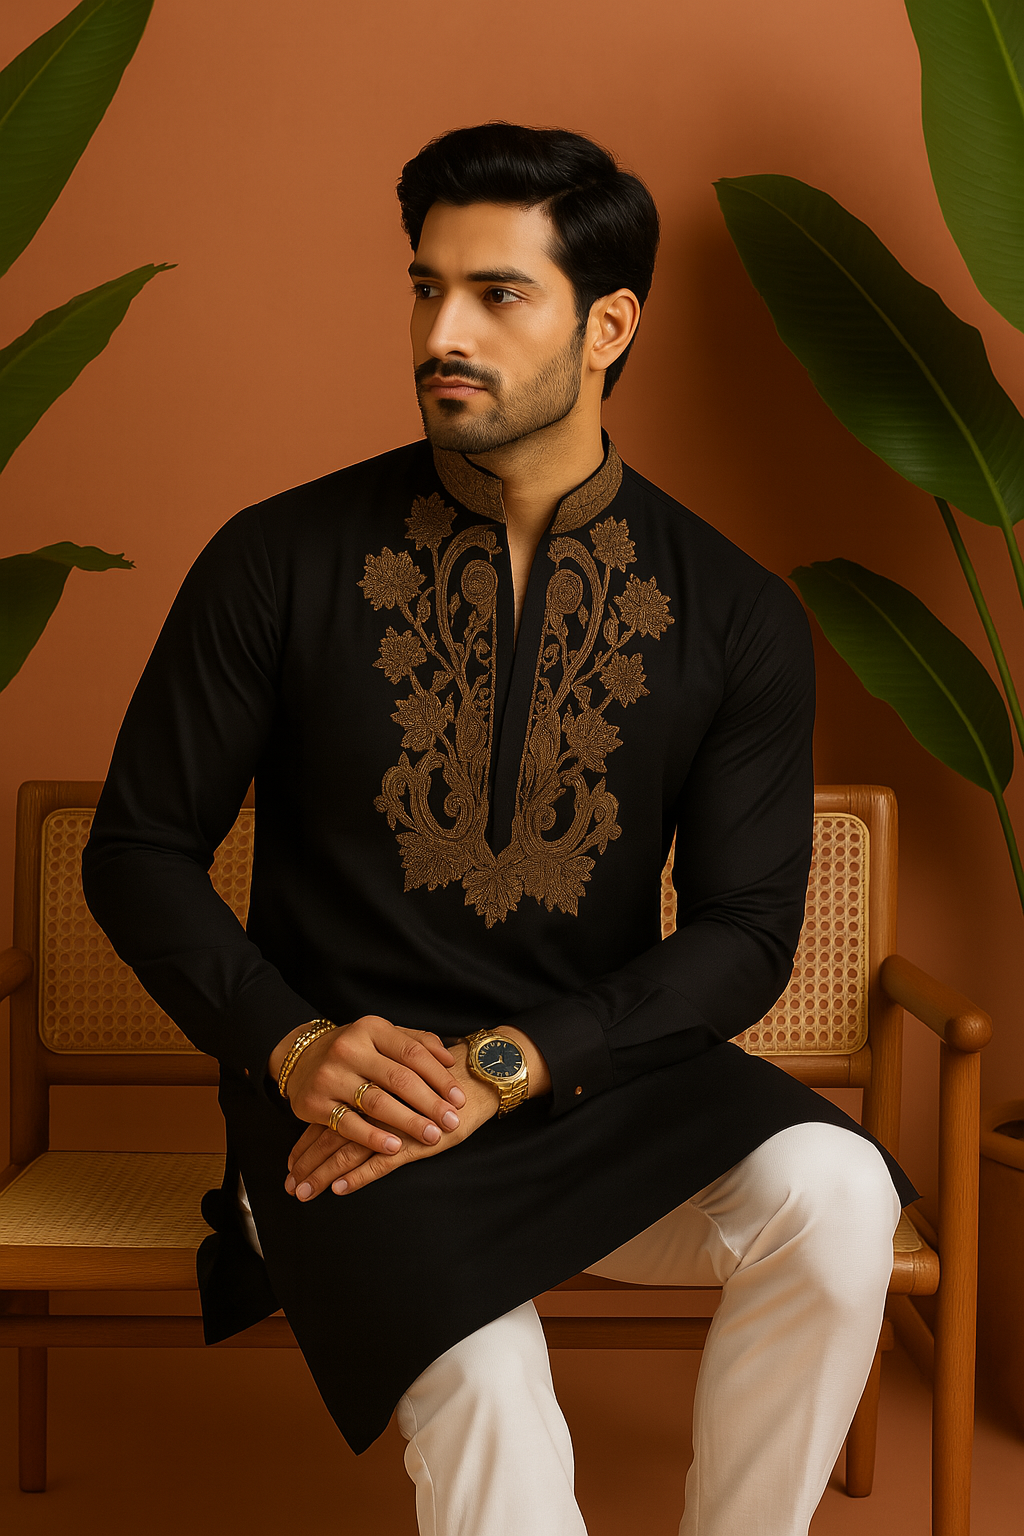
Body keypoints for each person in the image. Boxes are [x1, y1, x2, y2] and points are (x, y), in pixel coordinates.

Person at [82, 121, 916, 1536]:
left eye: (494, 294)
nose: (440, 331)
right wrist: (292, 1047)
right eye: (425, 287)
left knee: (838, 1190)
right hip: (347, 1114)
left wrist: (523, 1059)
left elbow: (744, 933)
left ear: (610, 324)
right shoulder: (275, 562)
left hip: (589, 1092)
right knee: (497, 1416)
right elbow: (140, 850)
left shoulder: (731, 612)